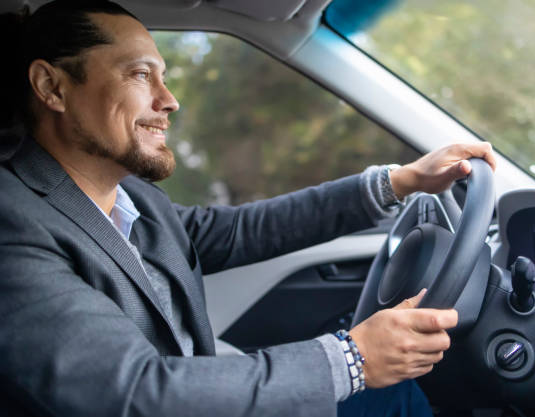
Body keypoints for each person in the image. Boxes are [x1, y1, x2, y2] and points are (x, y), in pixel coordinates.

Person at [0, 1, 497, 416]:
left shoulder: (134, 200)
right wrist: (353, 358)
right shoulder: (13, 221)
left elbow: (244, 231)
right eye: (139, 74)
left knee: (397, 396)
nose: (169, 100)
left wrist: (400, 181)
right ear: (52, 87)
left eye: (164, 76)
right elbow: (130, 391)